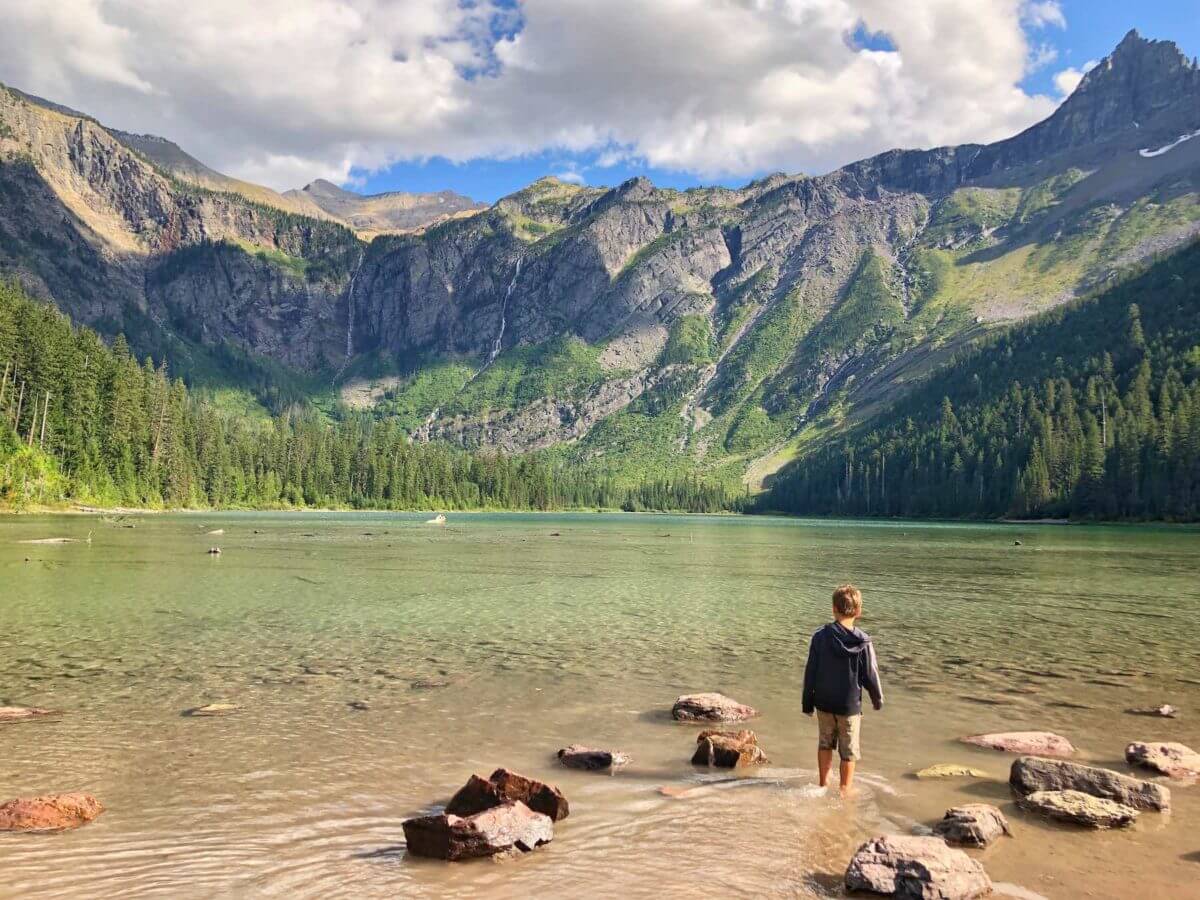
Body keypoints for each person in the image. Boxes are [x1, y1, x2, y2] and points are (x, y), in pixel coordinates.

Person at [801, 583, 883, 793]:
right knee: (849, 752)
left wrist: (807, 703)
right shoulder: (864, 641)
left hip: (824, 703)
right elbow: (870, 675)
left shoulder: (820, 637)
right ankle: (845, 790)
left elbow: (811, 672)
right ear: (858, 611)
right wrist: (877, 698)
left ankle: (823, 784)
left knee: (825, 743)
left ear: (833, 609)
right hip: (849, 706)